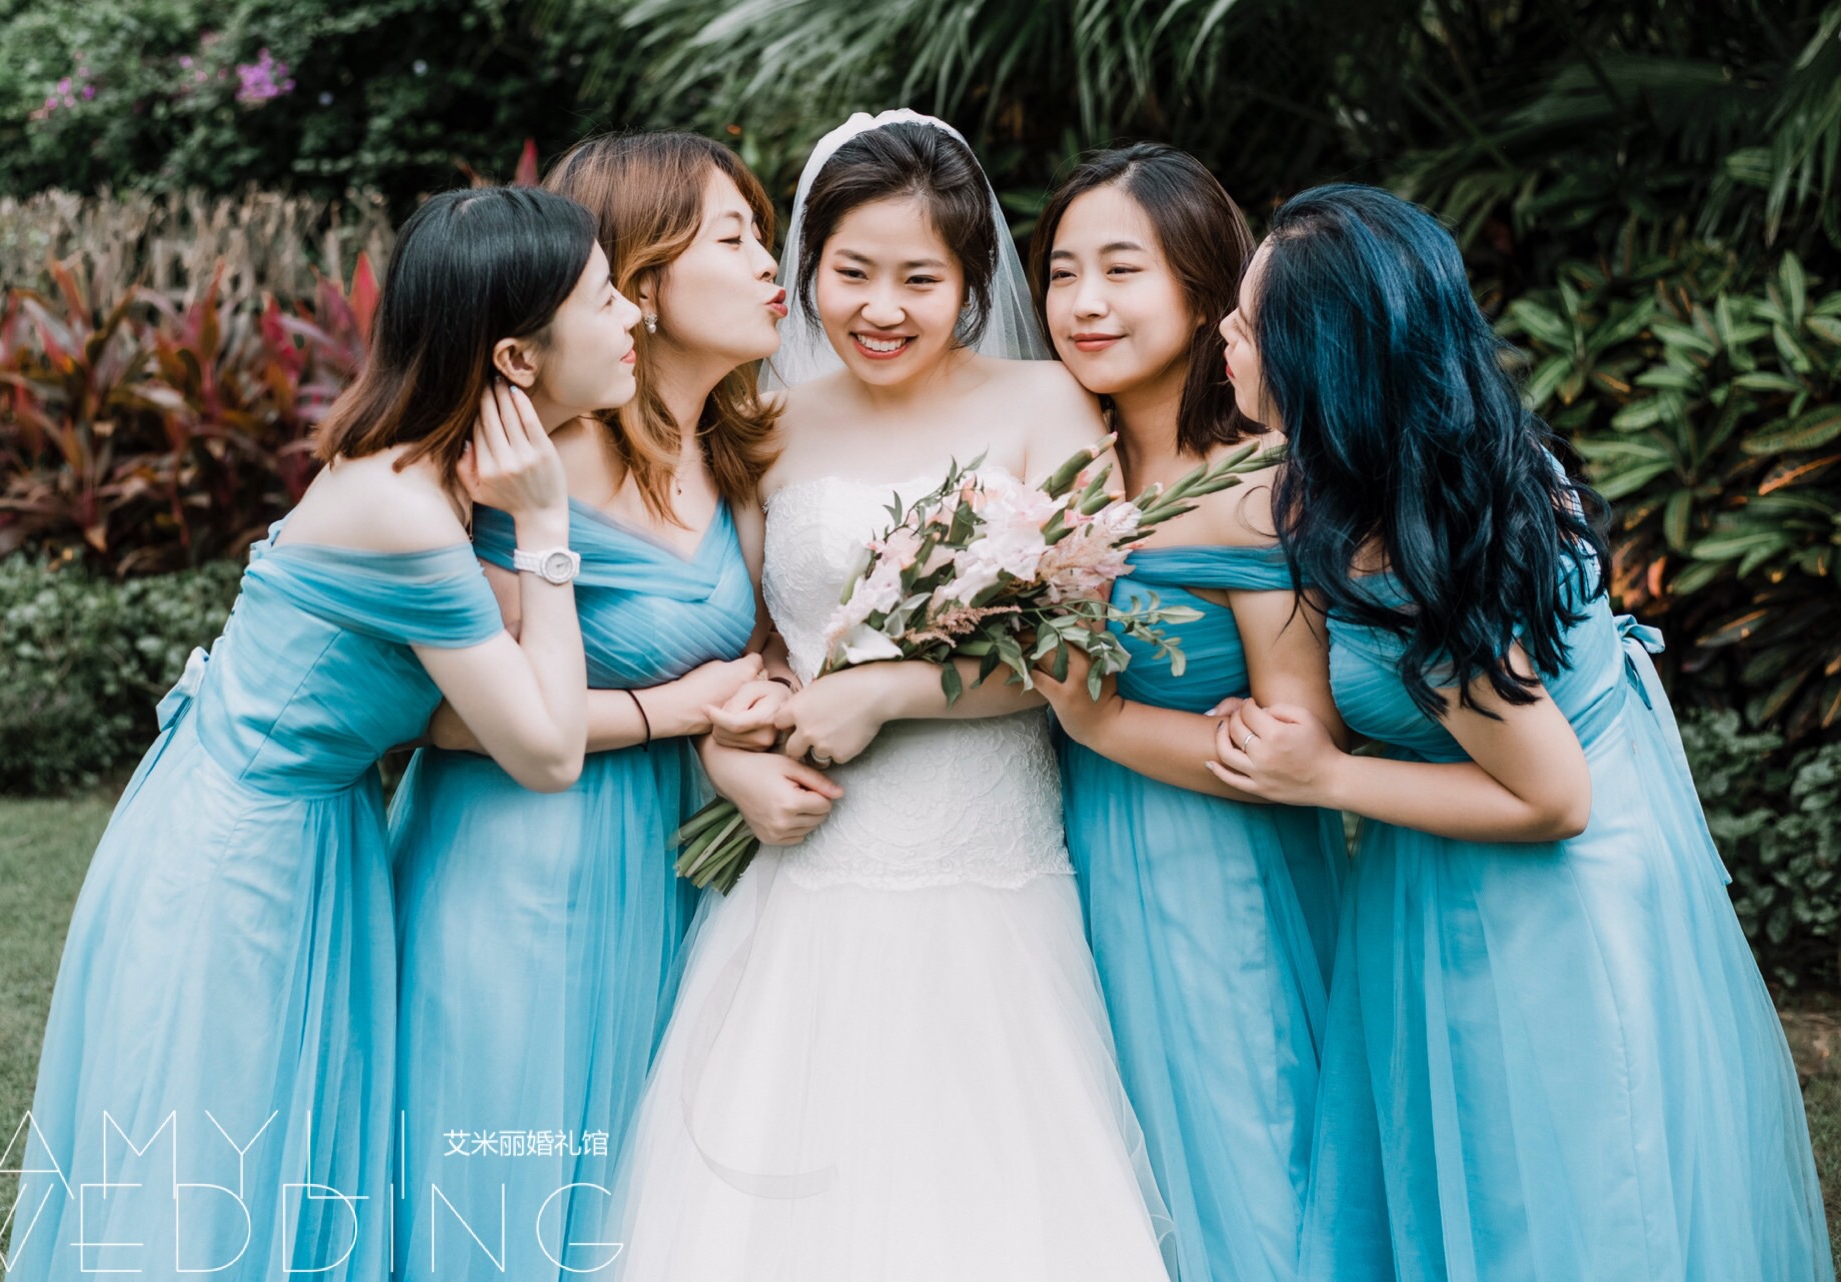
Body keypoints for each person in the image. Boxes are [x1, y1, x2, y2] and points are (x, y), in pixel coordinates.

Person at [1211, 183, 1833, 1282]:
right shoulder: (1429, 454)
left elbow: (1552, 798)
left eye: (1251, 323)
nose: (1223, 331)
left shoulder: (1411, 547)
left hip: (1533, 906)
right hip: (1478, 863)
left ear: (1323, 363)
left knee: (1548, 1205)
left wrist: (1322, 777)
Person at [6, 185, 625, 1280]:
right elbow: (546, 749)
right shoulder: (403, 507)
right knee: (217, 1182)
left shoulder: (426, 471)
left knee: (285, 1169)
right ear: (517, 359)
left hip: (309, 831)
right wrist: (546, 525)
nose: (635, 317)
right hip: (240, 862)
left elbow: (501, 680)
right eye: (607, 298)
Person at [606, 111, 1175, 1281]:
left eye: (920, 279)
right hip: (811, 856)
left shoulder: (1046, 405)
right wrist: (731, 760)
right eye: (851, 272)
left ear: (970, 285)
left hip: (990, 861)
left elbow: (1078, 657)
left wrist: (891, 691)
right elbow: (750, 651)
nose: (881, 308)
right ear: (808, 269)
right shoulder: (763, 424)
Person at [384, 133, 832, 1280]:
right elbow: (447, 712)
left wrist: (759, 712)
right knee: (518, 1181)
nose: (771, 262)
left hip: (672, 858)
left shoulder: (734, 452)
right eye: (733, 238)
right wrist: (680, 711)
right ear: (642, 282)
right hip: (525, 861)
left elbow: (757, 656)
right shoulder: (537, 458)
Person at [1028, 142, 1347, 1282]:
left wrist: (1098, 721)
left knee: (1236, 1152)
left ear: (1206, 288)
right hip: (1058, 858)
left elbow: (1302, 740)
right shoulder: (1049, 469)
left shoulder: (1259, 482)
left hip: (1212, 875)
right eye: (1062, 273)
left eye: (1123, 269)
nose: (1085, 303)